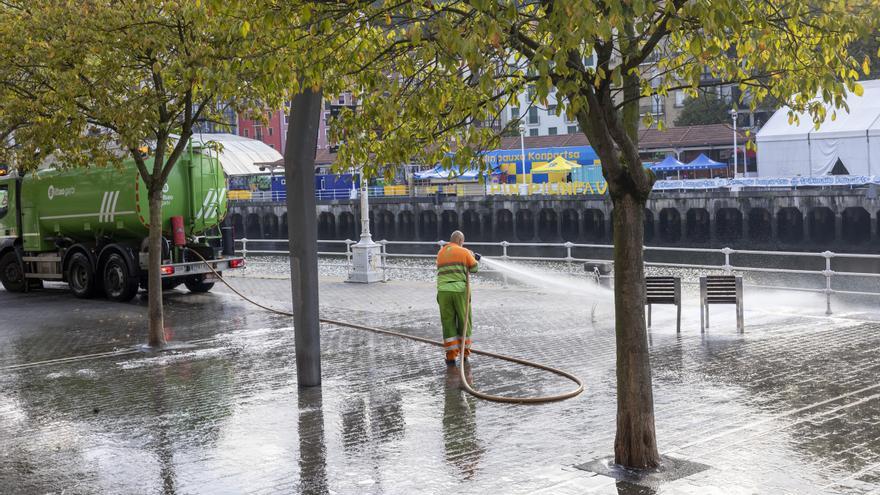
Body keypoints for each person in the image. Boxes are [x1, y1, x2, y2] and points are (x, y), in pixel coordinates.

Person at [436, 230, 480, 366]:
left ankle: (450, 356)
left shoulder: (441, 252)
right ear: (461, 241)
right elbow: (474, 268)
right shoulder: (464, 251)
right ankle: (464, 354)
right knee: (464, 320)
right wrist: (473, 257)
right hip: (460, 291)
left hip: (443, 291)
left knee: (448, 322)